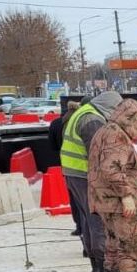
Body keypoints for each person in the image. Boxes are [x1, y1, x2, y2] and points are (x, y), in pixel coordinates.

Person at [88, 99, 137, 272]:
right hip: (117, 202)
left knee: (113, 243)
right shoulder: (116, 136)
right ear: (129, 118)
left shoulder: (103, 131)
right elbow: (112, 169)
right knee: (130, 243)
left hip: (103, 200)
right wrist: (127, 196)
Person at [61, 91, 123, 272]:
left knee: (87, 218)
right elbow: (97, 156)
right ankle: (103, 264)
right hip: (84, 174)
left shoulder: (82, 112)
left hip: (73, 172)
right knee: (98, 217)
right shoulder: (93, 120)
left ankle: (96, 264)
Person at [49, 100, 81, 237]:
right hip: (84, 166)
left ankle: (79, 226)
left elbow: (53, 146)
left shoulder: (56, 124)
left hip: (67, 165)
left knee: (74, 197)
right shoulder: (80, 121)